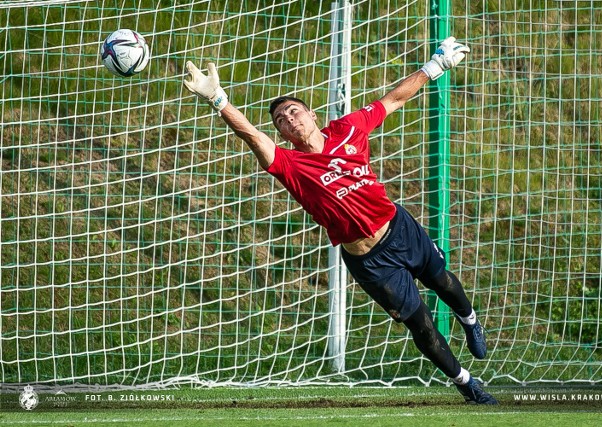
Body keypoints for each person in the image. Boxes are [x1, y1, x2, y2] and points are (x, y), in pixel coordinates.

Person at [183, 36, 497, 405]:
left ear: (313, 114)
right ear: (282, 133)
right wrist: (218, 99)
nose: (289, 119)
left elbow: (393, 99)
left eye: (294, 112)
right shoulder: (290, 165)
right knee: (421, 325)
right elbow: (252, 136)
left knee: (442, 280)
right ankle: (466, 383)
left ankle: (471, 321)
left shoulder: (348, 128)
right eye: (281, 120)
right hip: (369, 261)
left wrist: (436, 66)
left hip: (398, 227)